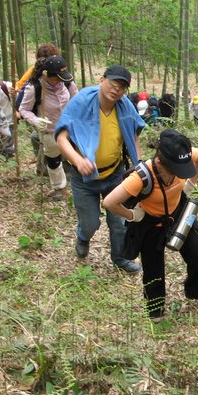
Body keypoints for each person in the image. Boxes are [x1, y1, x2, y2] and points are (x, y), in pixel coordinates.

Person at [102, 129, 198, 320]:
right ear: (160, 161)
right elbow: (109, 202)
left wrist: (190, 184)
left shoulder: (184, 158)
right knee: (153, 268)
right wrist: (132, 215)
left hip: (178, 213)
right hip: (150, 223)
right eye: (177, 170)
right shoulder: (141, 177)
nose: (181, 173)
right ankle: (155, 308)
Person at [55, 65, 144, 273]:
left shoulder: (124, 106)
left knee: (119, 219)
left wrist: (138, 163)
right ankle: (83, 236)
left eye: (122, 87)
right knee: (90, 221)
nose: (117, 90)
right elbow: (61, 138)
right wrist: (78, 161)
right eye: (114, 83)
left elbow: (134, 134)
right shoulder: (82, 102)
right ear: (102, 80)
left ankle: (120, 258)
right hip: (84, 177)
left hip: (115, 173)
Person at [19, 56, 78, 201]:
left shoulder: (67, 83)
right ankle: (59, 188)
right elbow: (23, 109)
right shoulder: (35, 88)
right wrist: (35, 120)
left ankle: (80, 185)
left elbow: (78, 100)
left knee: (77, 157)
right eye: (56, 78)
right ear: (47, 75)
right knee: (54, 161)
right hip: (50, 130)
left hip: (70, 128)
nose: (59, 81)